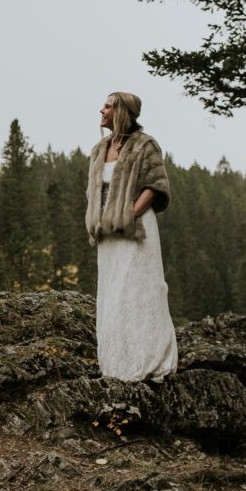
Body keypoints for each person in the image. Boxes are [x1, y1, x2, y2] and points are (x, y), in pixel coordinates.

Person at [85, 92, 177, 381]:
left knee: (139, 289)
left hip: (136, 231)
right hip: (107, 234)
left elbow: (154, 185)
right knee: (113, 294)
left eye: (108, 106)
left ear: (122, 112)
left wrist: (127, 215)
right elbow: (94, 191)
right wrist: (100, 221)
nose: (101, 110)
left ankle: (149, 360)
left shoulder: (145, 145)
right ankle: (117, 364)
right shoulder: (99, 149)